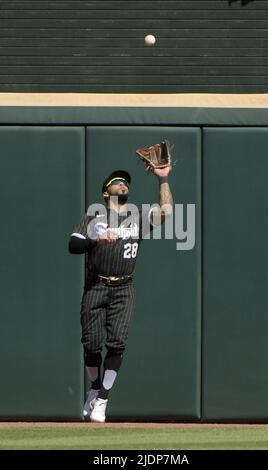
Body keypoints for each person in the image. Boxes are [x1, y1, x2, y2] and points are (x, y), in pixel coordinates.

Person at [68, 165, 173, 423]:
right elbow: (73, 245)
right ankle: (94, 386)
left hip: (123, 287)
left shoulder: (137, 216)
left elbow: (167, 212)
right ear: (106, 192)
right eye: (116, 182)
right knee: (91, 344)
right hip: (96, 285)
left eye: (125, 183)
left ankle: (102, 398)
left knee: (117, 342)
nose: (122, 185)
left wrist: (163, 179)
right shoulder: (93, 216)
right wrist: (97, 240)